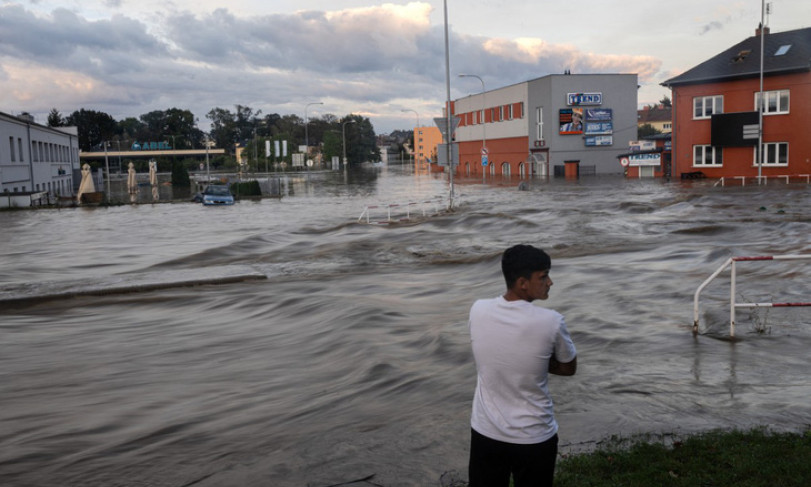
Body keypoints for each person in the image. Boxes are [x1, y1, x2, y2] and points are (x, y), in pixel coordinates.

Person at [468, 244, 577, 487]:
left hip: (486, 433)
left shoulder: (478, 310)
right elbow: (568, 367)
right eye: (543, 276)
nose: (550, 282)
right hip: (534, 436)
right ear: (522, 283)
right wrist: (534, 361)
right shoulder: (551, 321)